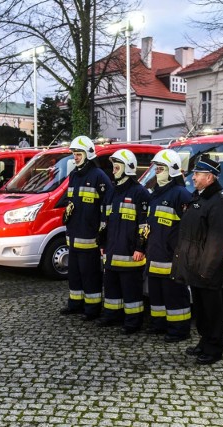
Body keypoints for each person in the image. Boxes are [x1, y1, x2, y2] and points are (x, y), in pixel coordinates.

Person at [171, 156, 223, 365]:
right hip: (195, 266)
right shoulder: (199, 197)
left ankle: (214, 348)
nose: (193, 177)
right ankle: (205, 341)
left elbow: (219, 240)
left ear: (209, 177)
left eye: (197, 174)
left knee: (212, 310)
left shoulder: (219, 202)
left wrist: (206, 269)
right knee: (201, 308)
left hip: (207, 268)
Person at [95, 149, 149, 334]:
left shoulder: (140, 193)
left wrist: (140, 248)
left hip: (130, 255)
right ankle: (111, 316)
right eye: (113, 167)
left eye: (117, 167)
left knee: (131, 292)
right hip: (111, 253)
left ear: (127, 168)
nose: (113, 170)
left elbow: (144, 225)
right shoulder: (111, 193)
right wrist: (101, 245)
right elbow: (104, 222)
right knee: (111, 289)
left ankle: (133, 323)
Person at [60, 136, 112, 321]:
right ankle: (75, 304)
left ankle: (92, 309)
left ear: (88, 154)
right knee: (74, 274)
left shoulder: (99, 176)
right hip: (73, 235)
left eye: (78, 153)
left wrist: (103, 230)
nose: (75, 157)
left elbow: (107, 205)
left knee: (90, 275)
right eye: (74, 153)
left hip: (90, 238)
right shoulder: (74, 175)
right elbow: (70, 200)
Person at [145, 149, 193, 342]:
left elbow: (190, 227)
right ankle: (159, 325)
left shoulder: (181, 195)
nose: (157, 171)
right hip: (155, 254)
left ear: (172, 170)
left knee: (175, 295)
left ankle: (179, 330)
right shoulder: (155, 194)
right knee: (156, 295)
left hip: (172, 257)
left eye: (161, 168)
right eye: (156, 168)